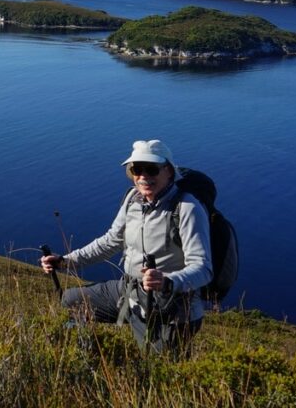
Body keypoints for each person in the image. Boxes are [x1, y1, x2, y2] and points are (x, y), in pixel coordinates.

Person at [40, 139, 212, 354]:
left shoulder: (186, 208)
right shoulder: (133, 199)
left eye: (151, 169)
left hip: (172, 310)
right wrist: (66, 261)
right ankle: (87, 355)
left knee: (158, 370)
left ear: (168, 171)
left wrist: (167, 282)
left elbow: (203, 268)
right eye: (136, 169)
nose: (143, 176)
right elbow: (111, 240)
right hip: (130, 292)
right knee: (71, 301)